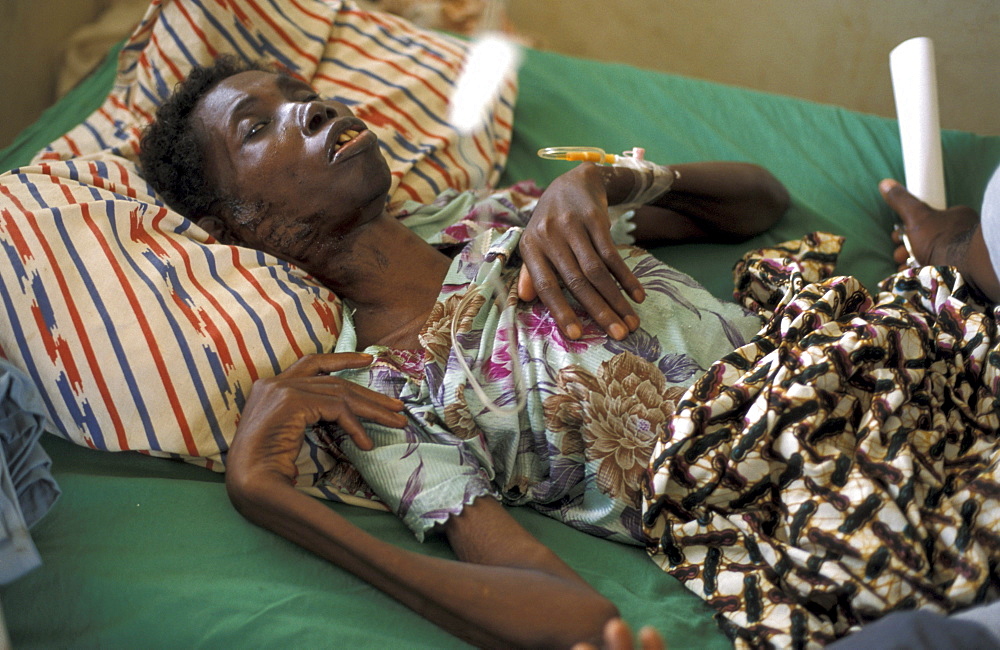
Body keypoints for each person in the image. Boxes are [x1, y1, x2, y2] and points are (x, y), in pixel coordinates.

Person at [139, 55, 1000, 648]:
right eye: (258, 128)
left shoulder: (497, 212)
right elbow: (573, 615)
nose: (310, 107)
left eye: (299, 90)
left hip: (881, 361)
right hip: (794, 487)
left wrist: (607, 179)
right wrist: (273, 501)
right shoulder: (378, 391)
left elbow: (757, 202)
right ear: (233, 227)